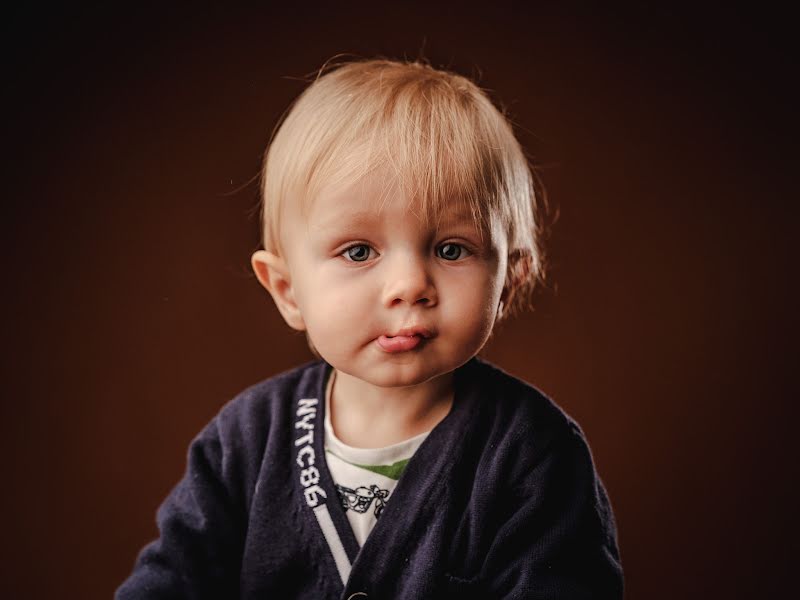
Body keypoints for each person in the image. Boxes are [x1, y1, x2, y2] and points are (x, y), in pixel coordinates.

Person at [116, 57, 623, 599]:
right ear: (288, 290)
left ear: (508, 283)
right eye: (358, 251)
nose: (409, 284)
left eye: (451, 249)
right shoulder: (244, 442)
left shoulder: (532, 454)